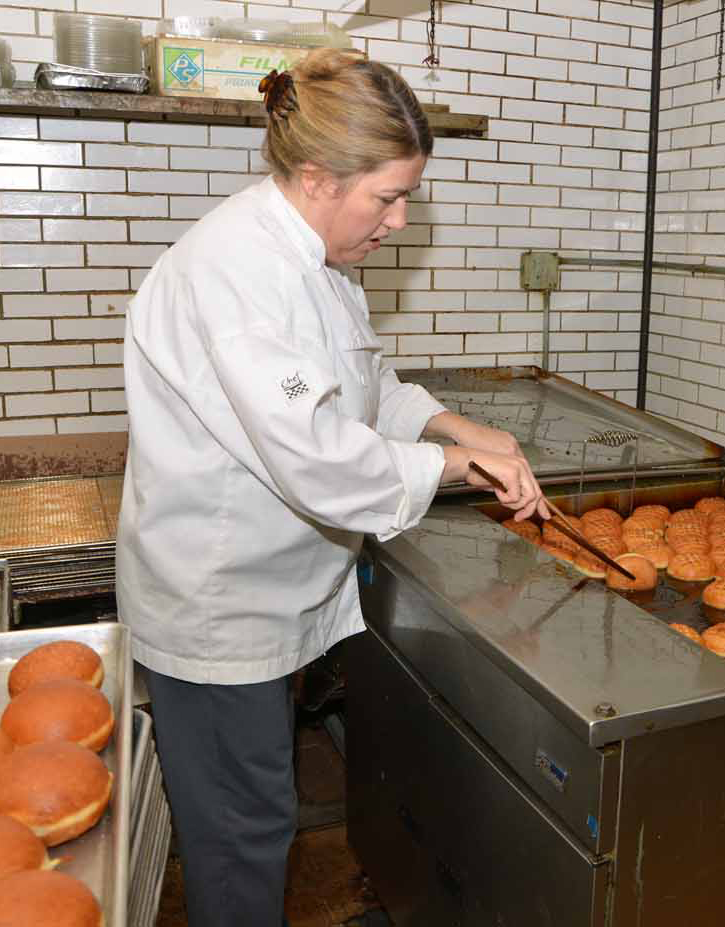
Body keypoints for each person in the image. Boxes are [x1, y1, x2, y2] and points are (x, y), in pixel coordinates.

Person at [115, 49, 546, 927]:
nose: (397, 220)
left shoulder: (318, 258)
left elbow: (362, 383)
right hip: (217, 603)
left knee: (256, 814)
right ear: (316, 175)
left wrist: (456, 426)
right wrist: (453, 470)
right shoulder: (237, 273)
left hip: (267, 590)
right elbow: (314, 452)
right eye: (387, 197)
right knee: (244, 832)